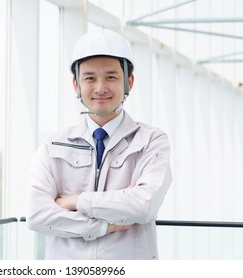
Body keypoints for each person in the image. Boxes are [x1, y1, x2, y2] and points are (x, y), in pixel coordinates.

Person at [26, 28, 172, 260]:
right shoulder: (53, 145)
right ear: (76, 84)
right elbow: (37, 215)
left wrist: (75, 201)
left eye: (111, 77)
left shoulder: (151, 141)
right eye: (90, 78)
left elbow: (144, 206)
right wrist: (102, 226)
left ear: (129, 81)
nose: (100, 88)